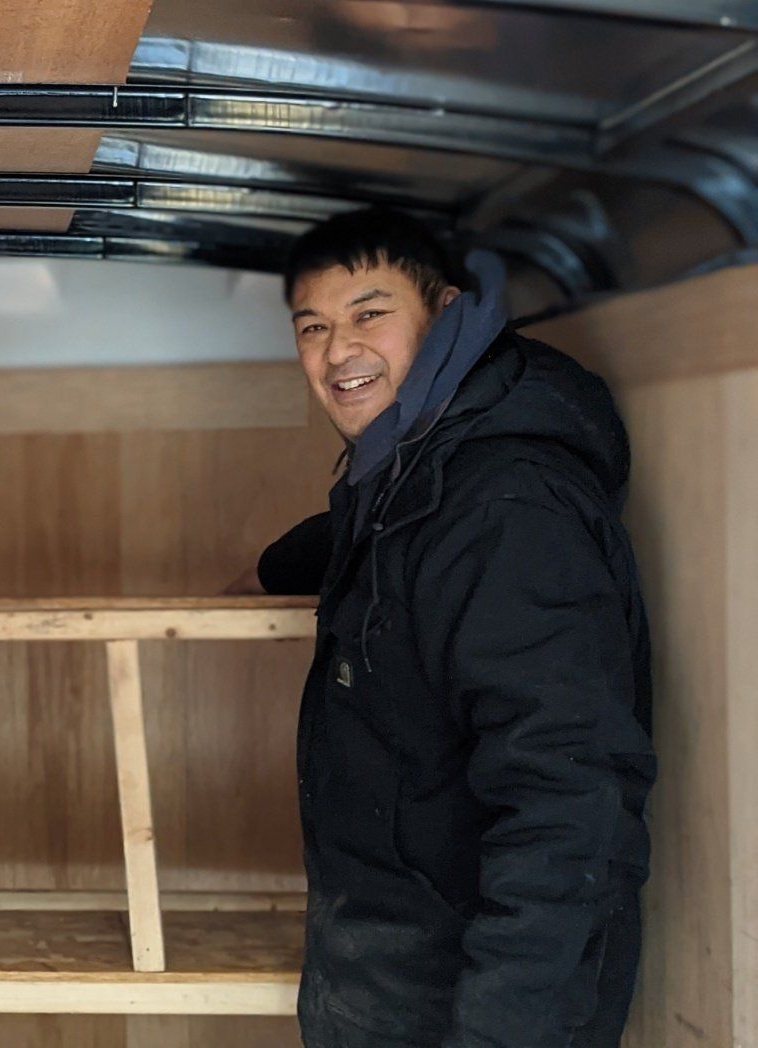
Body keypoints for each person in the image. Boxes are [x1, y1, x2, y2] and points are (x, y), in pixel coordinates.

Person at [255, 209, 656, 1046]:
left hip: (472, 1013)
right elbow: (393, 544)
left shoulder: (507, 511)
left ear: (444, 310)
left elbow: (567, 803)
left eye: (370, 313)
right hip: (397, 992)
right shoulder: (415, 478)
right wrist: (279, 564)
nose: (338, 351)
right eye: (313, 327)